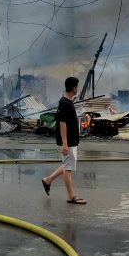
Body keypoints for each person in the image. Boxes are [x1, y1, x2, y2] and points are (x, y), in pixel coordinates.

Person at [41, 77, 86, 205]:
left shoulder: (68, 101)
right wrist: (65, 144)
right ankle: (71, 196)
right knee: (68, 168)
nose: (78, 89)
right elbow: (62, 124)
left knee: (68, 164)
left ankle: (47, 181)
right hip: (69, 141)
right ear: (73, 88)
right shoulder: (64, 103)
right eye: (77, 87)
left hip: (72, 140)